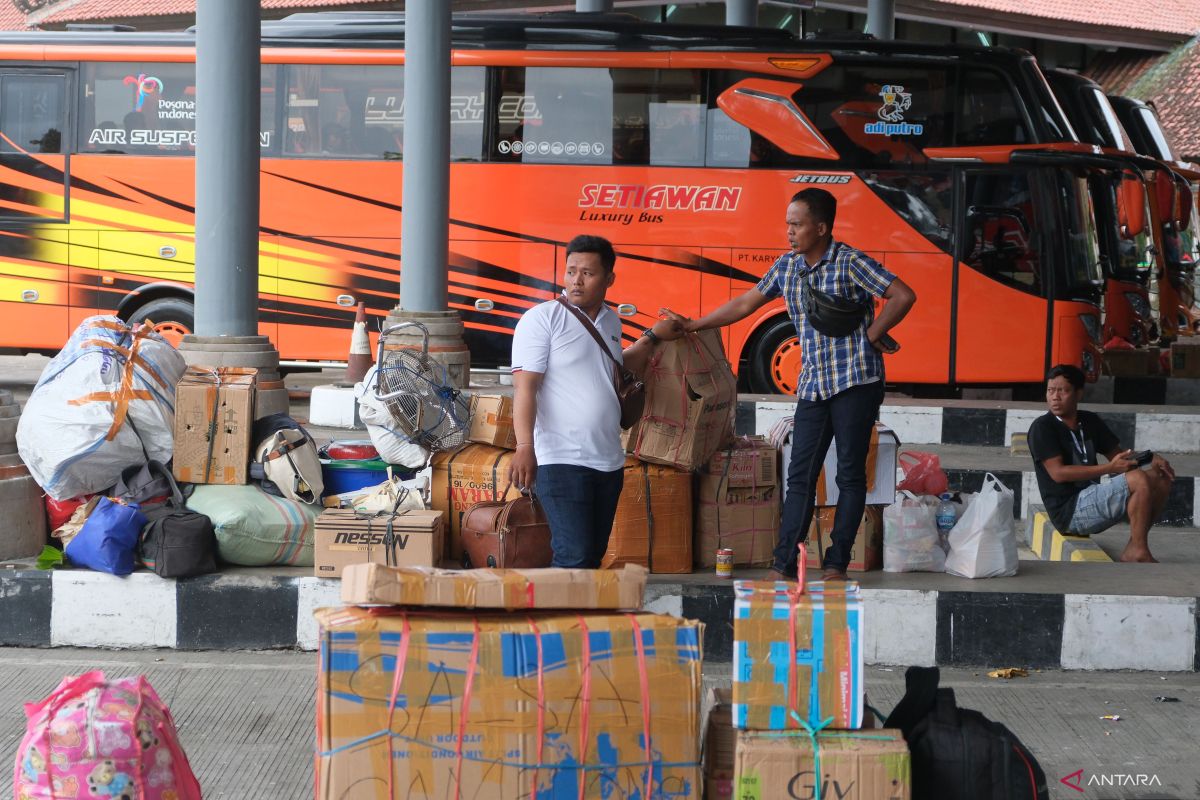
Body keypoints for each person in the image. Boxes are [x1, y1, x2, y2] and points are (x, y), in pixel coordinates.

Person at [660, 188, 916, 580]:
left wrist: (873, 333)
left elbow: (902, 294)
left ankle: (836, 562)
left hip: (856, 382)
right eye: (788, 225)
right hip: (813, 387)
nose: (790, 232)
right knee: (799, 476)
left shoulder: (849, 262)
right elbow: (745, 303)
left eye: (797, 225)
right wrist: (694, 324)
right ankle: (783, 563)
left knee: (849, 475)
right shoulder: (786, 267)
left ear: (822, 227)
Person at [508, 235, 678, 568]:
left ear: (609, 279)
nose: (576, 280)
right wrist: (524, 446)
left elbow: (609, 369)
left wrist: (654, 336)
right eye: (571, 271)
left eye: (587, 273)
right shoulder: (541, 319)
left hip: (608, 462)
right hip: (560, 460)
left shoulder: (611, 321)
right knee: (574, 556)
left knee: (591, 558)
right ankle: (561, 620)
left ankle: (578, 620)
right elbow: (525, 388)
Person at [1028, 364, 1174, 562]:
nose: (1055, 397)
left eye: (1062, 390)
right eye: (1050, 390)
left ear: (1079, 394)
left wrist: (1151, 457)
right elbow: (1058, 473)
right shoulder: (1042, 428)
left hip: (1094, 498)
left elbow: (1121, 457)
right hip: (1070, 511)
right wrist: (1109, 468)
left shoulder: (1089, 421)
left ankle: (1134, 546)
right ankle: (1139, 550)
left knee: (1160, 477)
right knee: (1138, 479)